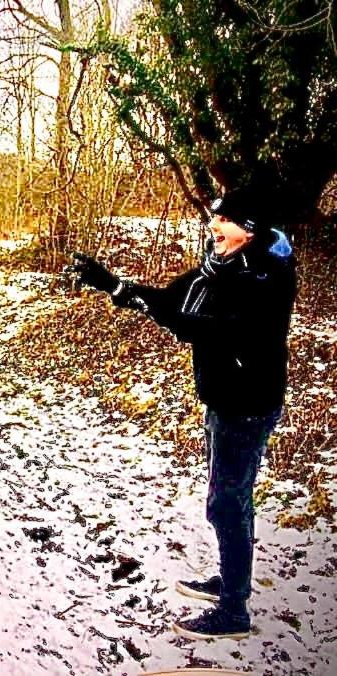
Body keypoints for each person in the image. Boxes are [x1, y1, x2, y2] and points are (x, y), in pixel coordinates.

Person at [68, 187, 297, 640]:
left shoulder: (263, 277)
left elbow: (211, 329)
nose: (213, 226)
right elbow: (174, 300)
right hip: (225, 401)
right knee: (228, 501)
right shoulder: (222, 267)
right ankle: (231, 582)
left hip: (246, 406)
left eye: (224, 220)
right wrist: (113, 284)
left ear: (248, 230)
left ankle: (234, 612)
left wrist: (170, 318)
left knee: (227, 504)